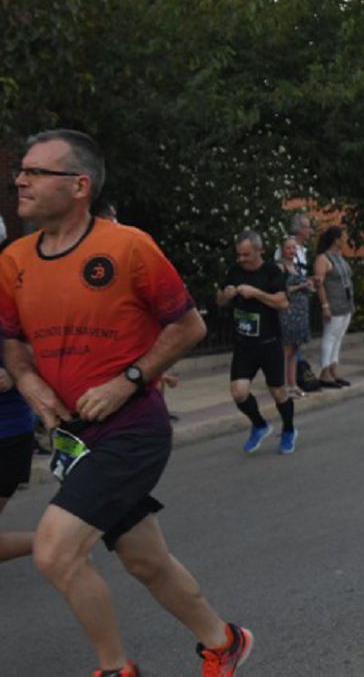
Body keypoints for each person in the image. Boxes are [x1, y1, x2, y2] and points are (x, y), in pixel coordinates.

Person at [1, 129, 251, 675]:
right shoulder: (15, 259)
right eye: (23, 170)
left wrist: (128, 379)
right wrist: (26, 380)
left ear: (78, 186)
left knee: (55, 551)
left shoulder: (127, 246)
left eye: (36, 172)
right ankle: (223, 641)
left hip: (131, 429)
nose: (21, 180)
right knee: (145, 561)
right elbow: (12, 339)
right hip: (72, 435)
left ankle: (116, 668)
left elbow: (189, 326)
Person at [217, 230, 297, 454]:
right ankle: (260, 425)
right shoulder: (234, 271)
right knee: (238, 392)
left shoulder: (272, 270)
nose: (241, 259)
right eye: (239, 255)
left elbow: (282, 303)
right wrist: (227, 294)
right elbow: (219, 299)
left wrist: (256, 293)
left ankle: (289, 429)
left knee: (278, 392)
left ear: (259, 251)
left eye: (246, 255)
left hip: (269, 342)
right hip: (244, 344)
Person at [0, 351, 34, 564]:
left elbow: (41, 353)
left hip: (6, 438)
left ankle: (60, 545)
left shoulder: (6, 322)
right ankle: (60, 544)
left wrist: (16, 373)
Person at [313, 226, 354, 388]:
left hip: (345, 303)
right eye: (343, 237)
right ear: (336, 239)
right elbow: (319, 284)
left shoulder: (340, 257)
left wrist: (352, 303)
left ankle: (333, 368)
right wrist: (325, 305)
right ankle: (324, 372)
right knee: (330, 337)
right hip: (333, 303)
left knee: (338, 337)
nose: (345, 240)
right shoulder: (323, 259)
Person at [278, 236, 314, 398]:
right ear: (282, 249)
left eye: (294, 248)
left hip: (301, 311)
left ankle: (293, 384)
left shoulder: (297, 266)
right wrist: (301, 286)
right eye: (288, 248)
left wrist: (310, 285)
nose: (292, 251)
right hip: (288, 312)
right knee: (286, 350)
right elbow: (282, 290)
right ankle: (284, 385)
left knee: (295, 349)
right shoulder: (280, 267)